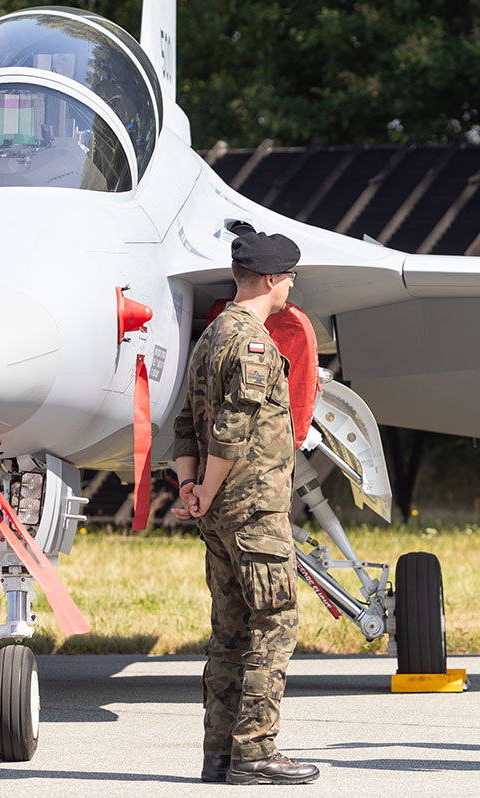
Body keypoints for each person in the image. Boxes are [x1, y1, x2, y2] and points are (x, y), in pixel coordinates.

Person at [171, 230, 319, 786]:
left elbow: (184, 426)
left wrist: (192, 489)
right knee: (275, 620)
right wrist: (206, 488)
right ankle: (256, 750)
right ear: (272, 280)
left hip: (218, 514)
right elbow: (232, 427)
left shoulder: (210, 338)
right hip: (253, 509)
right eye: (289, 278)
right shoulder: (254, 343)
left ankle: (220, 753)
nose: (291, 286)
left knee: (230, 631)